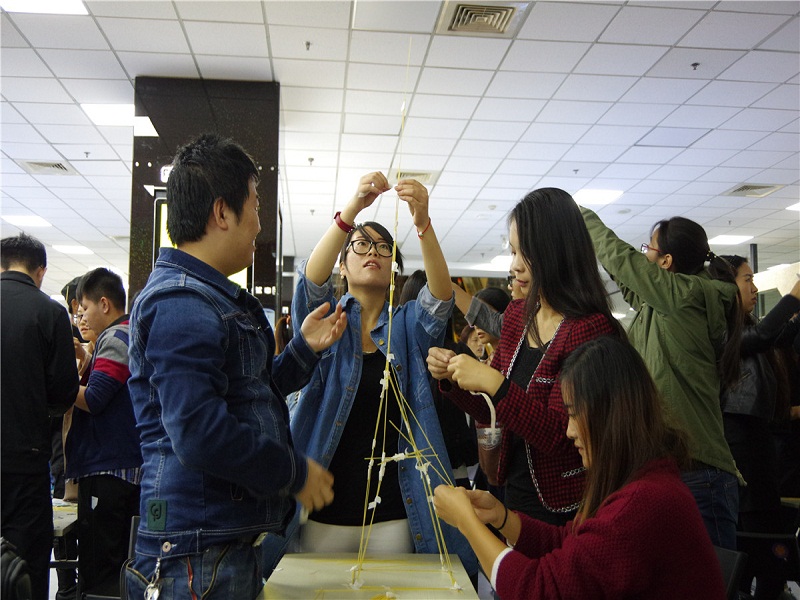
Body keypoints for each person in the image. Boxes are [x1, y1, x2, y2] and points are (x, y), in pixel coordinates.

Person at [126, 133, 346, 599]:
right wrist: (294, 473)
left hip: (215, 548)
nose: (259, 225)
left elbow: (247, 395)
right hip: (197, 556)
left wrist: (303, 350)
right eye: (256, 206)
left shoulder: (207, 298)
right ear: (222, 213)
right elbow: (200, 431)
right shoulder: (182, 301)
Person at [433, 335, 726, 600]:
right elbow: (569, 542)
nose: (569, 431)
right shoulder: (641, 481)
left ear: (609, 414)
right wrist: (501, 517)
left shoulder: (642, 503)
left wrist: (467, 523)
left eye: (573, 414)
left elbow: (539, 590)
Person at [289, 172, 477, 577]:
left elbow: (441, 298)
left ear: (393, 270)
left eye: (383, 247)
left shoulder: (407, 327)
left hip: (394, 514)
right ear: (343, 266)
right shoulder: (326, 323)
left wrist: (423, 223)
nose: (372, 251)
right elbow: (309, 284)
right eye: (361, 245)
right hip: (323, 514)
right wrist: (351, 211)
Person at [428, 188, 622, 527]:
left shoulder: (589, 329)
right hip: (514, 493)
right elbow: (493, 412)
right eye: (513, 251)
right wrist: (453, 379)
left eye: (525, 253)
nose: (514, 266)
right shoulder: (519, 315)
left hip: (566, 507)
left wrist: (494, 382)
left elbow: (560, 436)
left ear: (557, 251)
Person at [581, 207, 744, 549]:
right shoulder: (661, 306)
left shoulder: (683, 297)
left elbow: (623, 260)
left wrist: (577, 213)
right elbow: (625, 277)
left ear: (666, 262)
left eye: (649, 248)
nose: (644, 254)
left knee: (710, 577)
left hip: (700, 473)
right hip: (677, 470)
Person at [709, 257, 800, 600]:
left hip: (756, 441)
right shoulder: (719, 329)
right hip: (741, 444)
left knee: (769, 548)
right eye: (747, 279)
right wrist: (793, 297)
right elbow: (763, 336)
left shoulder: (741, 325)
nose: (754, 287)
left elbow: (775, 336)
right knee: (761, 548)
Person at [1, 232, 78, 600]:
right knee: (25, 565)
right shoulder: (50, 312)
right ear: (41, 270)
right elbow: (64, 393)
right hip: (25, 462)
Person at [63, 267, 141, 595]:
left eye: (85, 308)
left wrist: (57, 383)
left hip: (109, 471)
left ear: (104, 304)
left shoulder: (116, 337)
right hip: (120, 467)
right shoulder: (125, 333)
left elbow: (95, 399)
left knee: (100, 572)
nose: (82, 317)